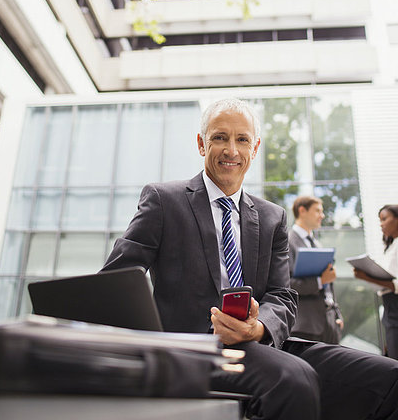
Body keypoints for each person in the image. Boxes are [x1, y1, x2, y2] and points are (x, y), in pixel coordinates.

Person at [101, 99, 398, 420]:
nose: (232, 150)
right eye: (219, 138)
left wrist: (258, 327)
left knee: (388, 378)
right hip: (195, 350)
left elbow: (282, 297)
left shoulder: (272, 217)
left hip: (262, 342)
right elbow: (115, 283)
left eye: (242, 139)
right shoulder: (164, 200)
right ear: (201, 144)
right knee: (292, 379)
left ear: (254, 148)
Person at [288, 196, 343, 344]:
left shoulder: (317, 243)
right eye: (317, 211)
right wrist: (320, 281)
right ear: (302, 211)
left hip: (329, 323)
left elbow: (328, 284)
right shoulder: (287, 242)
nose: (322, 215)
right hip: (306, 326)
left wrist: (337, 314)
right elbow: (287, 284)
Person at [353, 204, 398, 360]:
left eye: (384, 219)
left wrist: (367, 277)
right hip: (390, 307)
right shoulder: (391, 246)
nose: (381, 224)